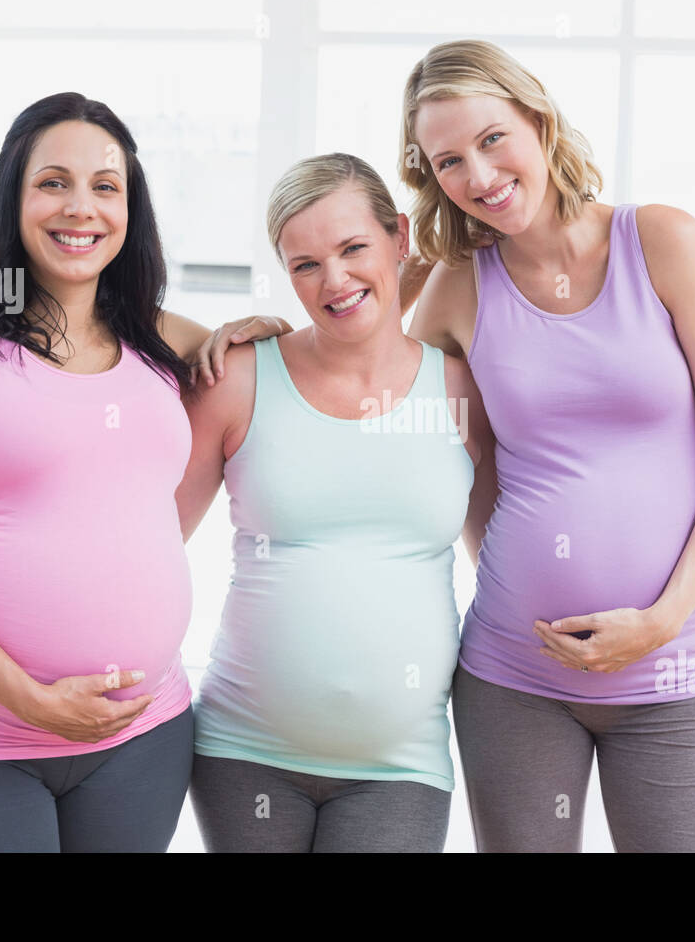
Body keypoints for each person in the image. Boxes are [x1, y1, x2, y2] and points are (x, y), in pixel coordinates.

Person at [206, 39, 695, 852]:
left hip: (671, 664)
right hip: (512, 672)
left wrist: (667, 609)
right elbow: (361, 349)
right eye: (448, 161)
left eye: (492, 139)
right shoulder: (461, 285)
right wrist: (259, 338)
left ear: (537, 120)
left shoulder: (664, 242)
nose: (478, 175)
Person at [0, 91, 286, 852]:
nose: (80, 207)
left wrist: (259, 330)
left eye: (105, 186)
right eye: (53, 182)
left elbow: (291, 373)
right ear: (14, 201)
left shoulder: (162, 340)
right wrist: (31, 700)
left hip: (143, 737)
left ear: (130, 208)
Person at [180, 152, 494, 852]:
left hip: (400, 765)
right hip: (242, 753)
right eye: (305, 264)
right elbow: (152, 539)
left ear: (400, 241)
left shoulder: (461, 389)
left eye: (354, 248)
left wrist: (683, 548)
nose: (336, 280)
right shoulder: (237, 377)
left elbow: (512, 550)